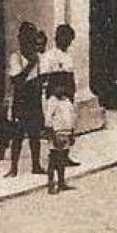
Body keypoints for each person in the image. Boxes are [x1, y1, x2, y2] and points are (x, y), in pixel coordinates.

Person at [3, 23, 45, 178]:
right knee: (18, 134)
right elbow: (16, 80)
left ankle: (36, 165)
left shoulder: (40, 58)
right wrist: (30, 65)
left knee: (35, 134)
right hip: (21, 99)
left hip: (34, 99)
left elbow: (43, 78)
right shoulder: (16, 58)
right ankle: (13, 168)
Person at [41, 24, 79, 166]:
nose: (67, 41)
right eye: (64, 38)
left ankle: (65, 156)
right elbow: (45, 79)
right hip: (54, 96)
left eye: (69, 39)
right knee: (55, 128)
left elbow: (71, 77)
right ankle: (56, 159)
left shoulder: (69, 57)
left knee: (68, 126)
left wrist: (72, 94)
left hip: (67, 95)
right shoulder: (49, 56)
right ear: (57, 38)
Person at [43, 77, 76, 194]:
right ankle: (51, 184)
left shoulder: (67, 101)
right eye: (58, 87)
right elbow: (48, 120)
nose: (61, 89)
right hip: (56, 134)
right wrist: (52, 136)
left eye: (63, 87)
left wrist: (72, 133)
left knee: (63, 160)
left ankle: (61, 182)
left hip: (66, 133)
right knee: (53, 160)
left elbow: (72, 117)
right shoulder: (52, 101)